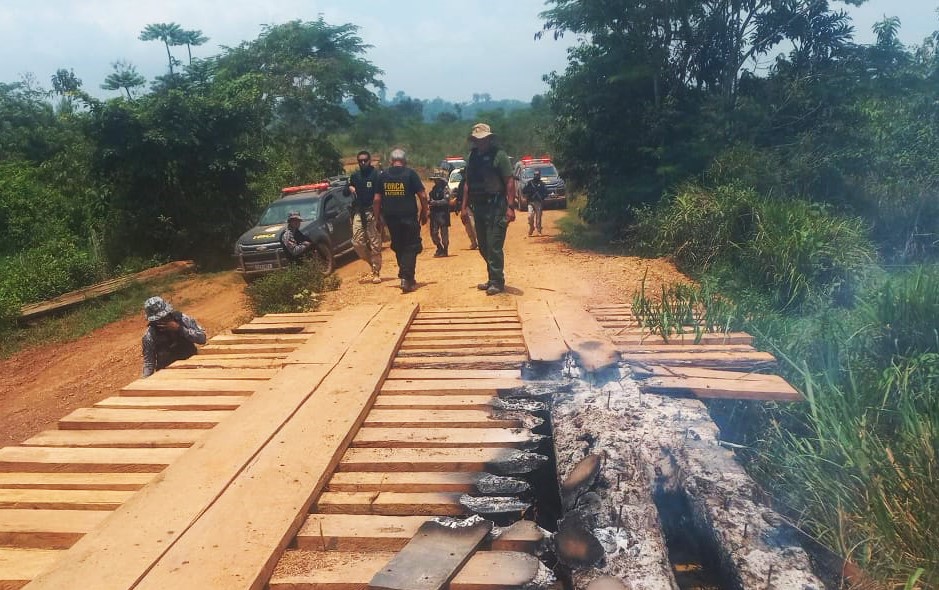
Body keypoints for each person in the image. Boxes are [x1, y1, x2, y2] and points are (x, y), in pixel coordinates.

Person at [461, 123, 516, 295]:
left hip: (496, 206)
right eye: (478, 140)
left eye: (484, 139)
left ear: (489, 139)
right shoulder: (472, 157)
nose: (481, 143)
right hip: (478, 207)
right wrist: (463, 208)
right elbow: (468, 184)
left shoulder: (499, 156)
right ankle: (492, 277)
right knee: (483, 246)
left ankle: (497, 281)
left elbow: (509, 181)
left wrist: (511, 207)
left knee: (494, 245)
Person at [374, 148, 429, 293]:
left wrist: (378, 218)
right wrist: (425, 211)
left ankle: (408, 277)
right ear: (405, 161)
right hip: (408, 217)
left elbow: (377, 200)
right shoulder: (410, 174)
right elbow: (423, 196)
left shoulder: (383, 176)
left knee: (399, 246)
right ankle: (406, 277)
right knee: (411, 246)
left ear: (391, 161)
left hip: (391, 219)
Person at [141, 296, 206, 377]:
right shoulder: (149, 336)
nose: (162, 321)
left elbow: (202, 338)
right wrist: (144, 381)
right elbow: (149, 363)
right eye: (157, 320)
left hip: (192, 366)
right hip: (167, 374)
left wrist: (180, 328)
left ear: (168, 312)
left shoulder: (182, 319)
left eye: (164, 317)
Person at [348, 150, 383, 283]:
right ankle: (370, 261)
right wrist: (350, 187)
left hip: (372, 211)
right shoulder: (356, 176)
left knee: (375, 244)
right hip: (358, 212)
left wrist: (379, 215)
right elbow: (347, 189)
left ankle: (376, 272)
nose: (363, 163)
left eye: (365, 160)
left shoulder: (376, 175)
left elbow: (380, 196)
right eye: (360, 161)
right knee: (357, 243)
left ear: (370, 160)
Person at [453, 168, 478, 250]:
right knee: (467, 226)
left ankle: (479, 242)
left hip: (471, 206)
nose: (462, 175)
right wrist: (457, 207)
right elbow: (459, 196)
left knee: (474, 225)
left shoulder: (473, 182)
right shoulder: (462, 183)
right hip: (463, 207)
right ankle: (473, 243)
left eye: (463, 173)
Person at [428, 174, 451, 257]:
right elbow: (430, 199)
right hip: (434, 214)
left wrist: (436, 203)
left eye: (437, 180)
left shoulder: (445, 189)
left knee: (444, 233)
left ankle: (445, 250)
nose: (435, 181)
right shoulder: (433, 190)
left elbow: (447, 200)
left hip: (443, 214)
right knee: (433, 233)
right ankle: (439, 247)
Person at [522, 169, 548, 236]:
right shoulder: (530, 183)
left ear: (539, 175)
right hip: (530, 202)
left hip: (538, 202)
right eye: (535, 175)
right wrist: (531, 191)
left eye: (537, 175)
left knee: (538, 218)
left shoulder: (542, 184)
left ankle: (539, 230)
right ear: (534, 175)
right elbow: (524, 190)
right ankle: (531, 227)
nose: (536, 176)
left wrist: (541, 197)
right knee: (530, 216)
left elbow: (546, 193)